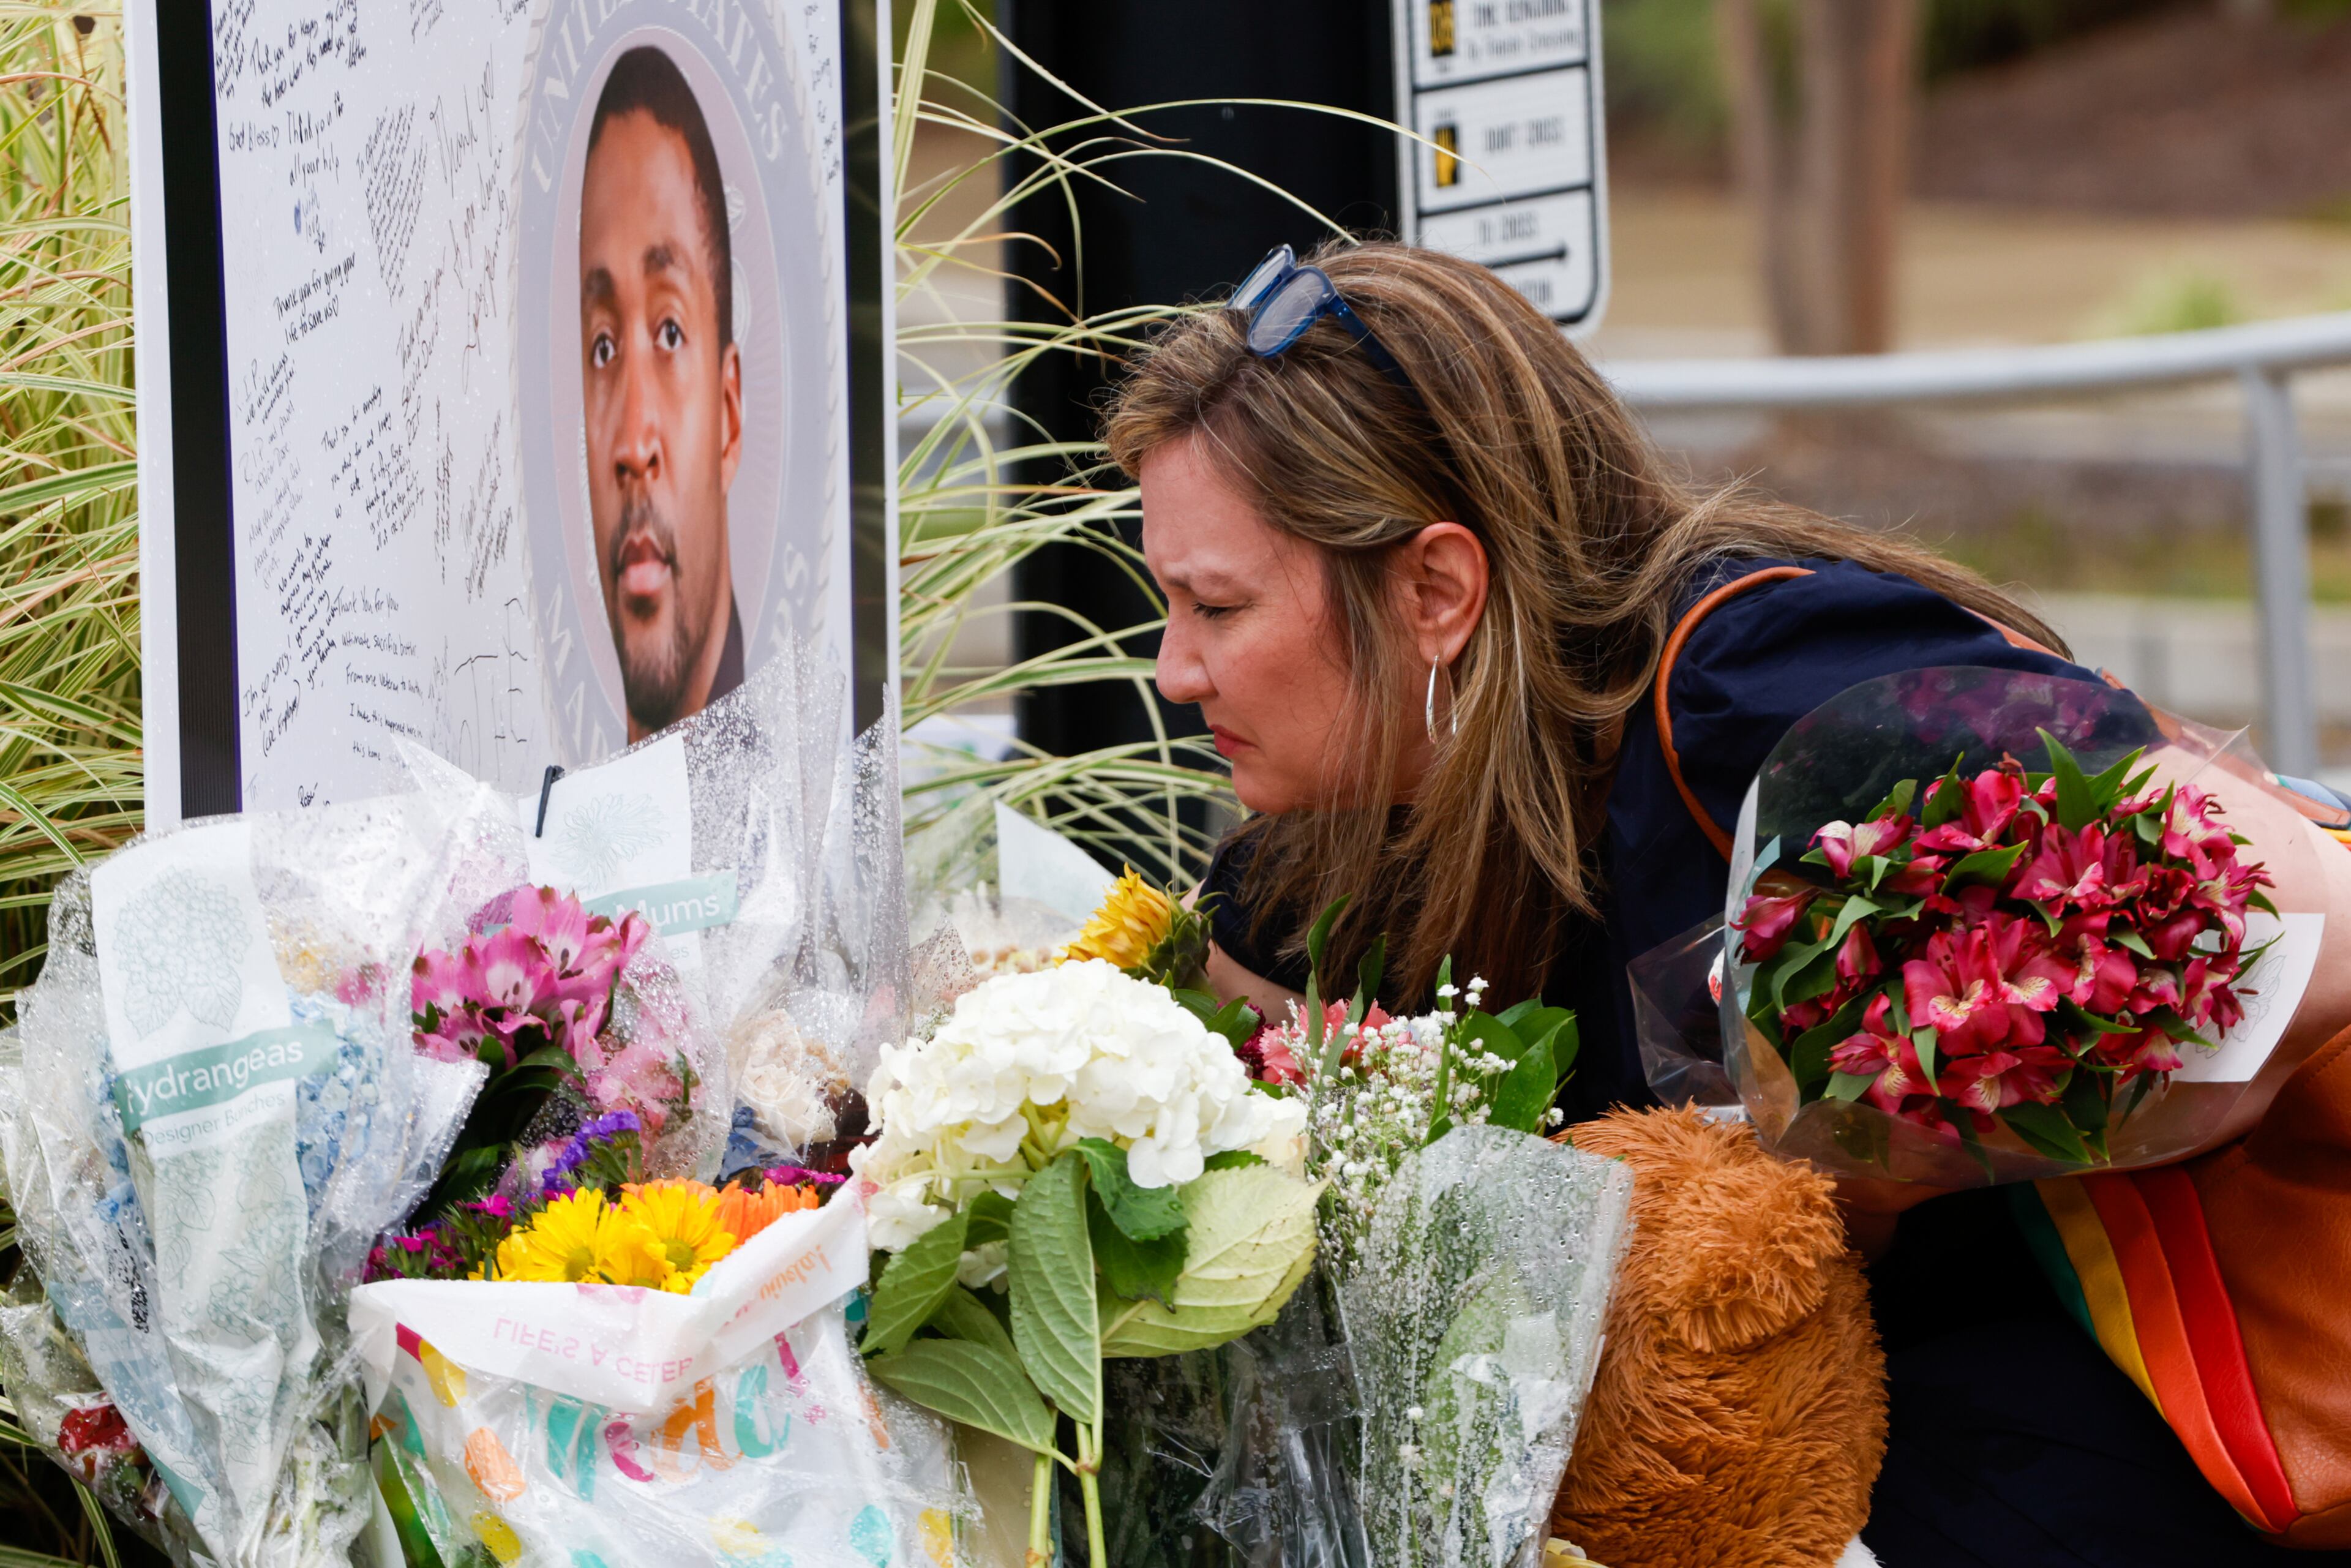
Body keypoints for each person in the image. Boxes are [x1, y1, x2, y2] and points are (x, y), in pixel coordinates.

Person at [1104, 239, 2351, 1567]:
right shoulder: (1323, 855)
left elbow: (2304, 920)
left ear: (1436, 590)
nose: (1175, 668)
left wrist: (1889, 1108)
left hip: (2085, 1425)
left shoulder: (1748, 680)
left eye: (1217, 605)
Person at [579, 45, 745, 741]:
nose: (633, 443)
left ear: (729, 417)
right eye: (604, 348)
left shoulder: (792, 833)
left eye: (671, 332)